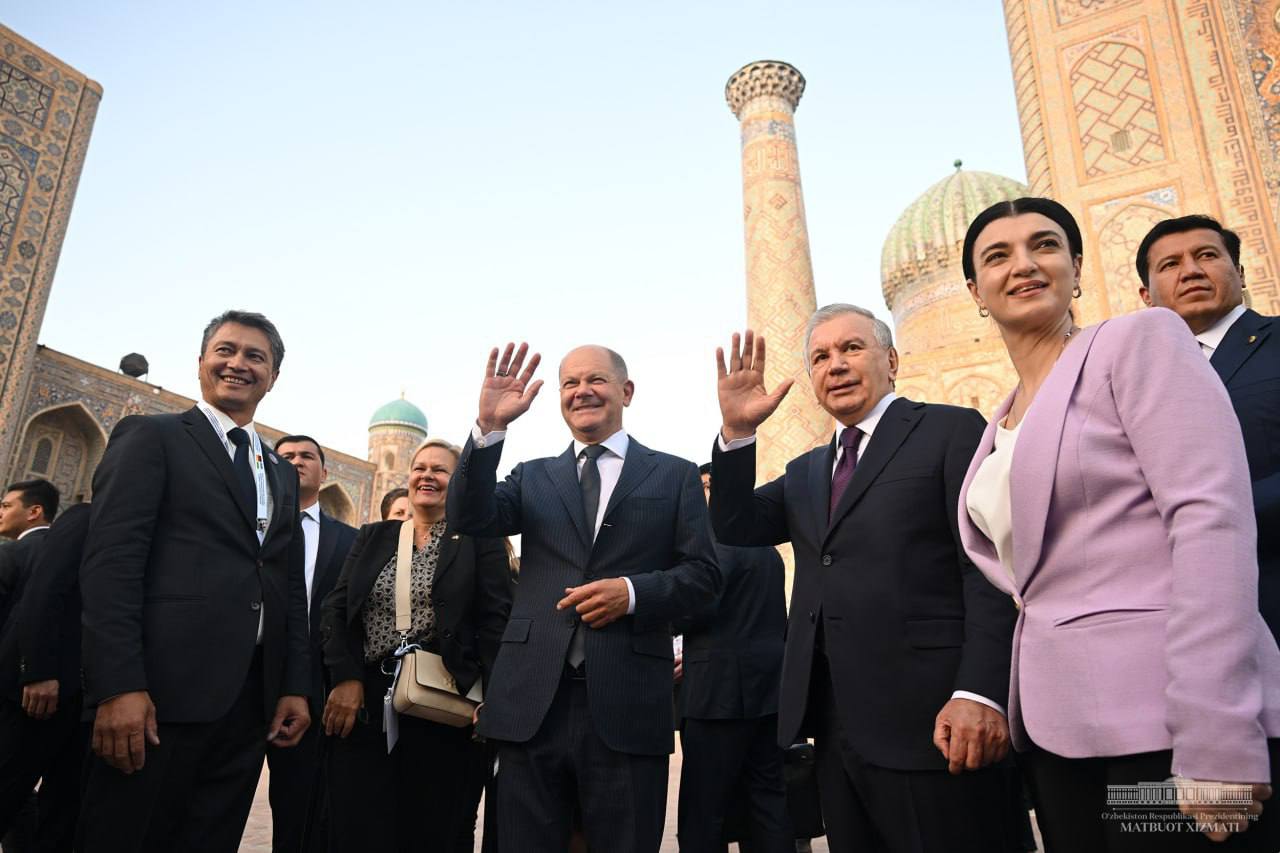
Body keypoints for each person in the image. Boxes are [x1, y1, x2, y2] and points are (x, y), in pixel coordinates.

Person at [958, 197, 1280, 849]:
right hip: (1059, 734)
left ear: (1077, 268)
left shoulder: (1141, 340)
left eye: (1044, 246)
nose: (1023, 264)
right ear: (975, 291)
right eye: (998, 255)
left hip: (1164, 724)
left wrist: (1216, 729)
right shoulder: (999, 420)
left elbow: (1209, 519)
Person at [710, 309, 1018, 853]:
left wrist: (979, 691)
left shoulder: (949, 430)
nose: (836, 366)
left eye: (851, 348)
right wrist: (737, 433)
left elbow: (987, 568)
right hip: (838, 726)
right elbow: (736, 524)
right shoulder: (809, 469)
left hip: (935, 719)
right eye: (820, 358)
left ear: (892, 360)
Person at [447, 342, 720, 853]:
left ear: (626, 391)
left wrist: (633, 593)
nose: (581, 391)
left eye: (594, 380)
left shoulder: (674, 474)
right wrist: (487, 428)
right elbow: (468, 517)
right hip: (533, 700)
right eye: (569, 383)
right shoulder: (532, 476)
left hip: (628, 697)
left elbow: (704, 577)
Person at [78, 310, 312, 853]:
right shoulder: (152, 436)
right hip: (159, 694)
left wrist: (292, 683)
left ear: (273, 376)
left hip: (246, 703)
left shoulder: (277, 470)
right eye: (225, 351)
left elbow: (285, 586)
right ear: (202, 363)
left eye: (256, 356)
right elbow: (112, 565)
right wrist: (118, 685)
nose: (238, 364)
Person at [320, 437, 511, 852]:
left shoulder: (479, 541)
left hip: (445, 703)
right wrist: (346, 678)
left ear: (459, 483)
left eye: (440, 470)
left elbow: (497, 621)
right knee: (358, 822)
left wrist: (495, 697)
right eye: (420, 467)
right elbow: (337, 609)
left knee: (433, 826)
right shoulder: (374, 536)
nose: (427, 476)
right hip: (369, 700)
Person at [1135, 214, 1280, 641]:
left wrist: (1209, 518)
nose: (1191, 270)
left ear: (1240, 272)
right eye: (1170, 264)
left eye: (1206, 256)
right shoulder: (1136, 378)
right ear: (1147, 295)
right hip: (1184, 625)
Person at [676, 463, 791, 853]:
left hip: (718, 694)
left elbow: (695, 608)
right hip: (769, 690)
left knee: (704, 808)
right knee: (768, 801)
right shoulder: (767, 546)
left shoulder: (713, 545)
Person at [268, 434, 357, 852]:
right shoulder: (250, 525)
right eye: (285, 456)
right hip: (247, 678)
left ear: (325, 473)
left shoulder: (351, 539)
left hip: (317, 687)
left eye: (306, 456)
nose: (296, 462)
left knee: (300, 807)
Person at [0, 501, 89, 853]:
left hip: (87, 700)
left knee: (62, 811)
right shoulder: (85, 519)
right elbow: (44, 592)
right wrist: (38, 670)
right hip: (40, 691)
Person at [0, 479, 59, 846]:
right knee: (18, 787)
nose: (1, 513)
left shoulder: (12, 555)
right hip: (48, 696)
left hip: (9, 690)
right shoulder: (70, 551)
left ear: (34, 511)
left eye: (6, 506)